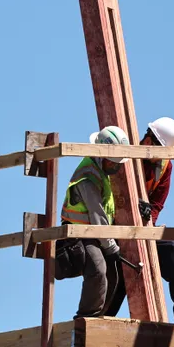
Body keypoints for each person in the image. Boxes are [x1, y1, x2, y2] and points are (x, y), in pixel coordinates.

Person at [104, 116, 174, 325]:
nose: (159, 156)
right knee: (121, 273)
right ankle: (97, 321)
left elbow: (157, 204)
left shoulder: (165, 167)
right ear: (147, 139)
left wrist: (147, 216)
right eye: (157, 148)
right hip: (113, 230)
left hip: (143, 231)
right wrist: (127, 208)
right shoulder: (124, 157)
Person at [55, 125, 131, 318]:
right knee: (98, 269)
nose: (116, 166)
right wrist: (111, 247)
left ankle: (103, 316)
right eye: (113, 163)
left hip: (94, 233)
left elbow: (105, 208)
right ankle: (86, 318)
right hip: (78, 233)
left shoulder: (100, 173)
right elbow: (97, 215)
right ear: (101, 156)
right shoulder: (88, 176)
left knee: (114, 273)